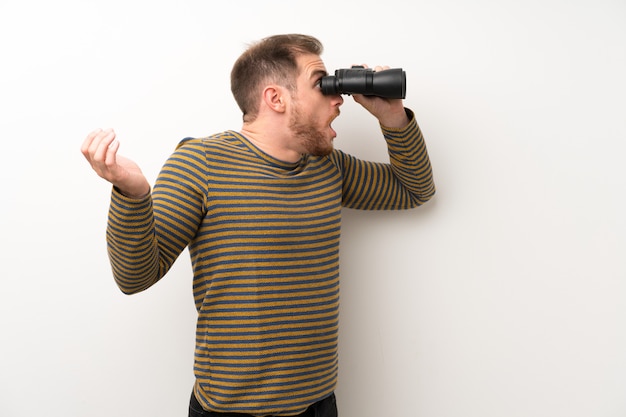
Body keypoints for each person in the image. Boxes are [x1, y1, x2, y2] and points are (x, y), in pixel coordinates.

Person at [81, 33, 435, 417]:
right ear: (275, 98)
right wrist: (132, 195)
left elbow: (413, 189)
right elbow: (135, 277)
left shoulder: (329, 168)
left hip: (319, 403)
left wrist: (393, 117)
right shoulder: (201, 163)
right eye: (323, 85)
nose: (339, 100)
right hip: (231, 410)